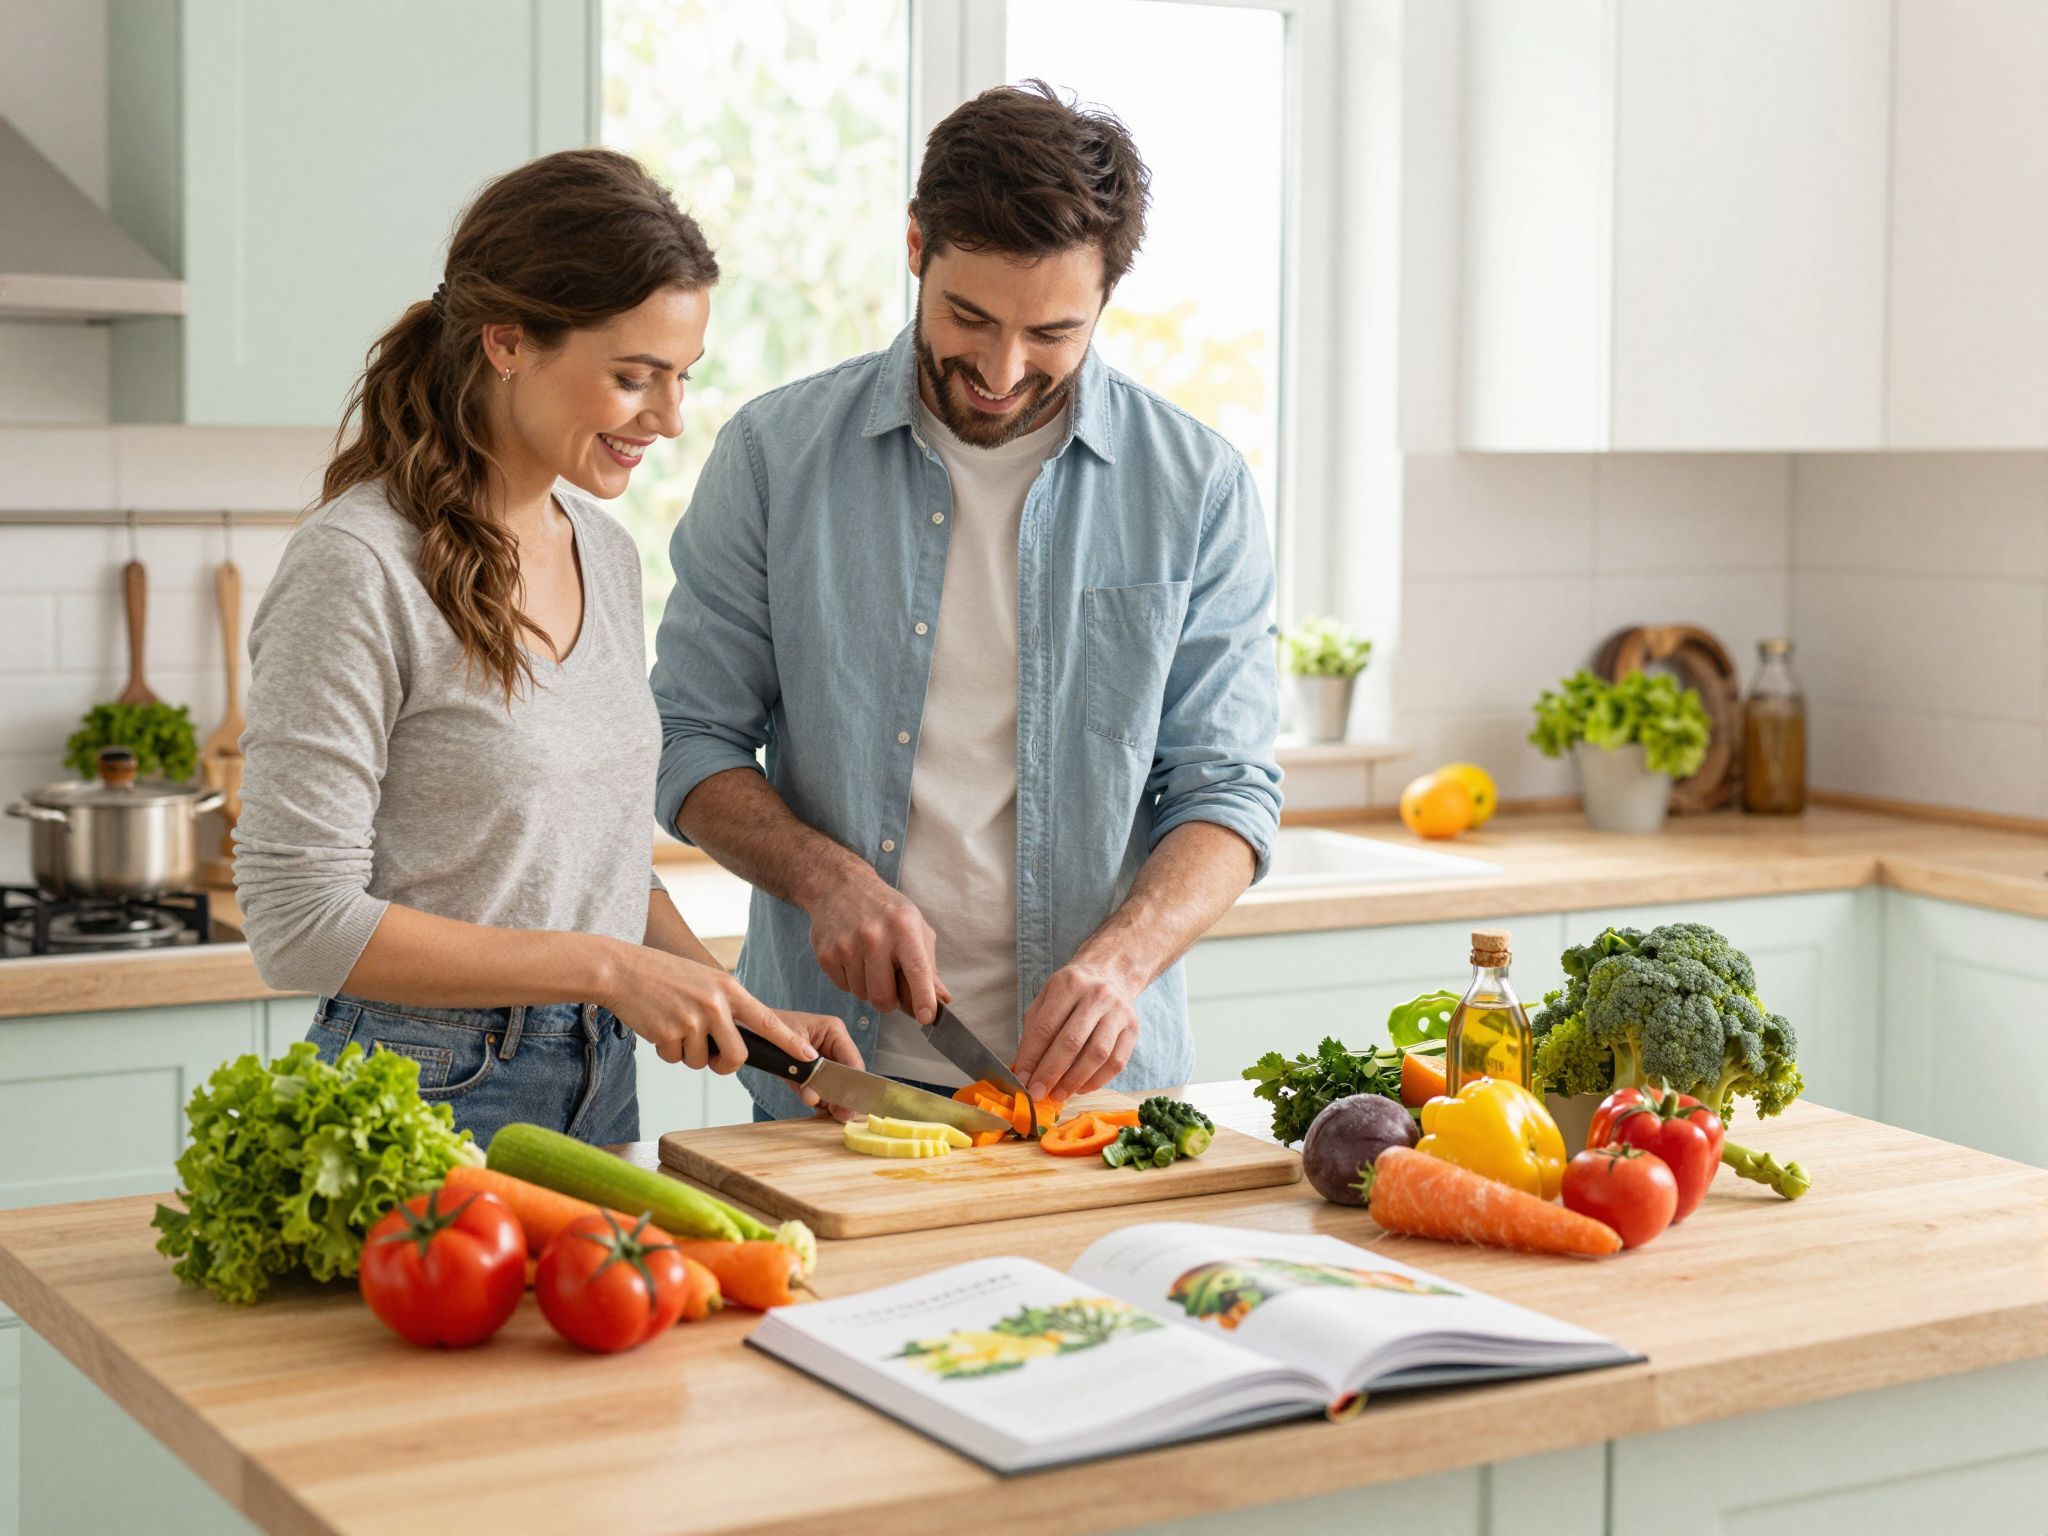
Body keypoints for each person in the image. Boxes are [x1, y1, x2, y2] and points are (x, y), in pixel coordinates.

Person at [652, 84, 1281, 1123]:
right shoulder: (773, 458)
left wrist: (1121, 965)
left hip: (1100, 1100)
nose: (999, 371)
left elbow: (1228, 789)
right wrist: (826, 880)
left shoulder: (1195, 486)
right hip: (836, 1088)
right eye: (968, 317)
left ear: (1106, 301)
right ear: (914, 247)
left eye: (1052, 333)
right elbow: (687, 737)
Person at [235, 148, 858, 1147]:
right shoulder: (355, 567)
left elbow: (595, 863)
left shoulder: (602, 553)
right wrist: (609, 969)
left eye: (680, 380)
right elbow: (298, 923)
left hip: (597, 1081)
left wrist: (719, 995)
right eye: (632, 378)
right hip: (415, 1088)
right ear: (508, 343)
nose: (667, 418)